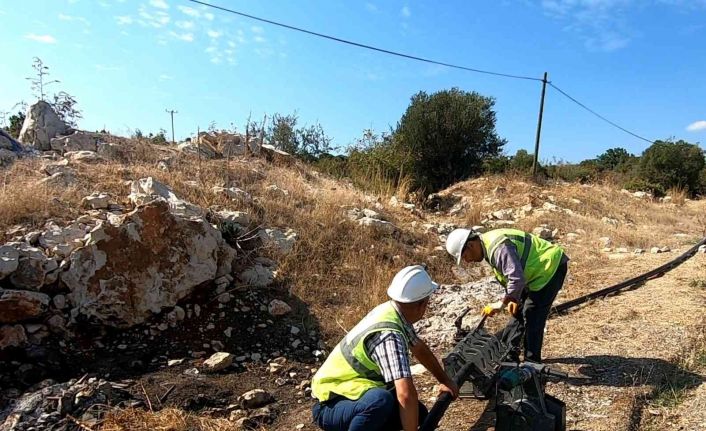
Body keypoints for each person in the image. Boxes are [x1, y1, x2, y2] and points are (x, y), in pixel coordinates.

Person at [311, 265, 459, 431]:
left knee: (419, 415)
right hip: (331, 404)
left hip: (354, 394)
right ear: (421, 305)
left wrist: (444, 380)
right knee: (380, 402)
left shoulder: (394, 312)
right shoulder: (389, 335)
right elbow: (405, 393)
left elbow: (418, 348)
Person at [445, 228, 568, 363]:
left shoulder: (498, 247)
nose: (467, 261)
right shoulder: (488, 246)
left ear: (470, 245)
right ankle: (507, 356)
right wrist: (512, 298)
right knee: (518, 313)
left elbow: (516, 279)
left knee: (532, 315)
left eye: (464, 256)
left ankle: (532, 366)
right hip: (535, 274)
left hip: (549, 268)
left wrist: (502, 303)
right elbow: (512, 276)